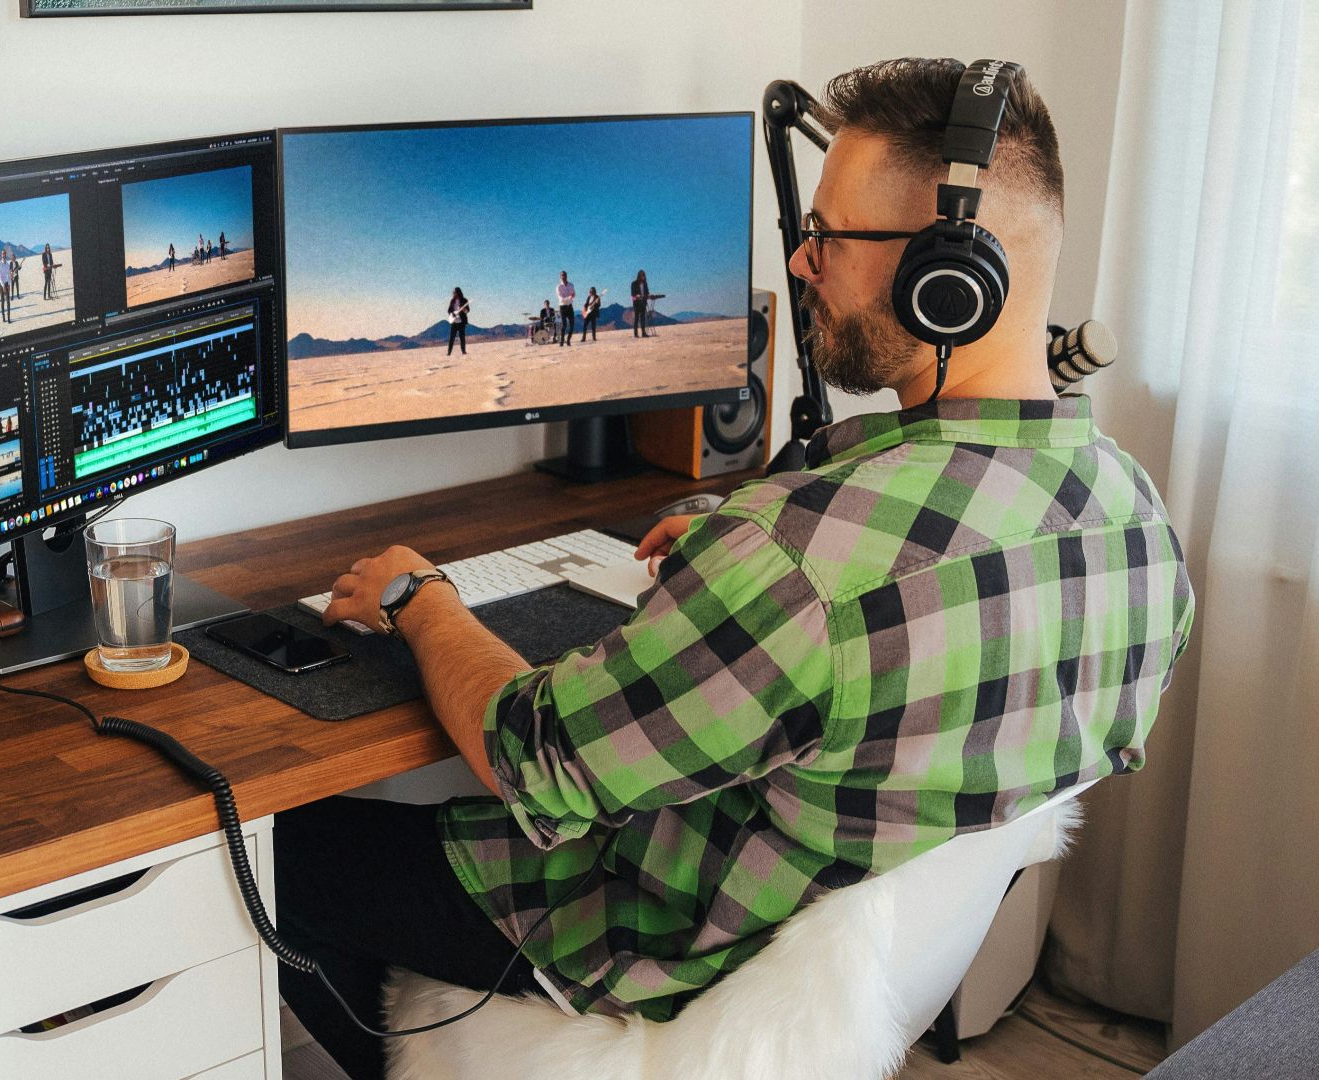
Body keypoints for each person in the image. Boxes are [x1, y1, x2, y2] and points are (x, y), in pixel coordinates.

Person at [277, 58, 1196, 1080]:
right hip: (841, 982)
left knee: (279, 858)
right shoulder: (1136, 523)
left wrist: (418, 596)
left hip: (660, 960)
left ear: (950, 278)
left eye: (829, 237)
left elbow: (529, 756)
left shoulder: (794, 565)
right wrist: (741, 551)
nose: (800, 264)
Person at [446, 287, 470, 356]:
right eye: (453, 293)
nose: (454, 294)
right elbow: (449, 310)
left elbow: (467, 310)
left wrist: (464, 310)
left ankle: (463, 351)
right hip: (454, 322)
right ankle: (449, 352)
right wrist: (452, 313)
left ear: (458, 292)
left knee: (462, 337)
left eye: (455, 292)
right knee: (452, 338)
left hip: (461, 321)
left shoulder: (464, 300)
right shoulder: (452, 301)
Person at [555, 271, 577, 347]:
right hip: (563, 307)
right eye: (562, 275)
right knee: (564, 325)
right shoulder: (558, 287)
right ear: (560, 277)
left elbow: (574, 294)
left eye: (565, 275)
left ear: (567, 276)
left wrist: (569, 297)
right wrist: (570, 297)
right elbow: (561, 299)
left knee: (572, 325)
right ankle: (561, 340)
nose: (563, 277)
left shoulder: (571, 285)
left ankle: (568, 340)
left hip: (570, 306)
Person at [630, 269, 651, 337]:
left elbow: (647, 292)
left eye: (644, 276)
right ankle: (636, 334)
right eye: (642, 276)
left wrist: (649, 295)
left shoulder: (645, 283)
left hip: (643, 302)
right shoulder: (634, 283)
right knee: (636, 318)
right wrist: (637, 296)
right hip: (637, 303)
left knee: (643, 318)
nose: (643, 277)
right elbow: (632, 294)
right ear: (639, 276)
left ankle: (643, 333)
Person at [0, 248, 13, 324]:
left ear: (6, 255)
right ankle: (4, 318)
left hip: (7, 284)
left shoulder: (8, 264)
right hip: (1, 284)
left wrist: (9, 284)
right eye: (2, 254)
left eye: (4, 253)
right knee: (3, 301)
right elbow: (0, 276)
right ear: (1, 255)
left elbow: (9, 275)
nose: (3, 255)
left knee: (8, 301)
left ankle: (9, 318)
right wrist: (3, 286)